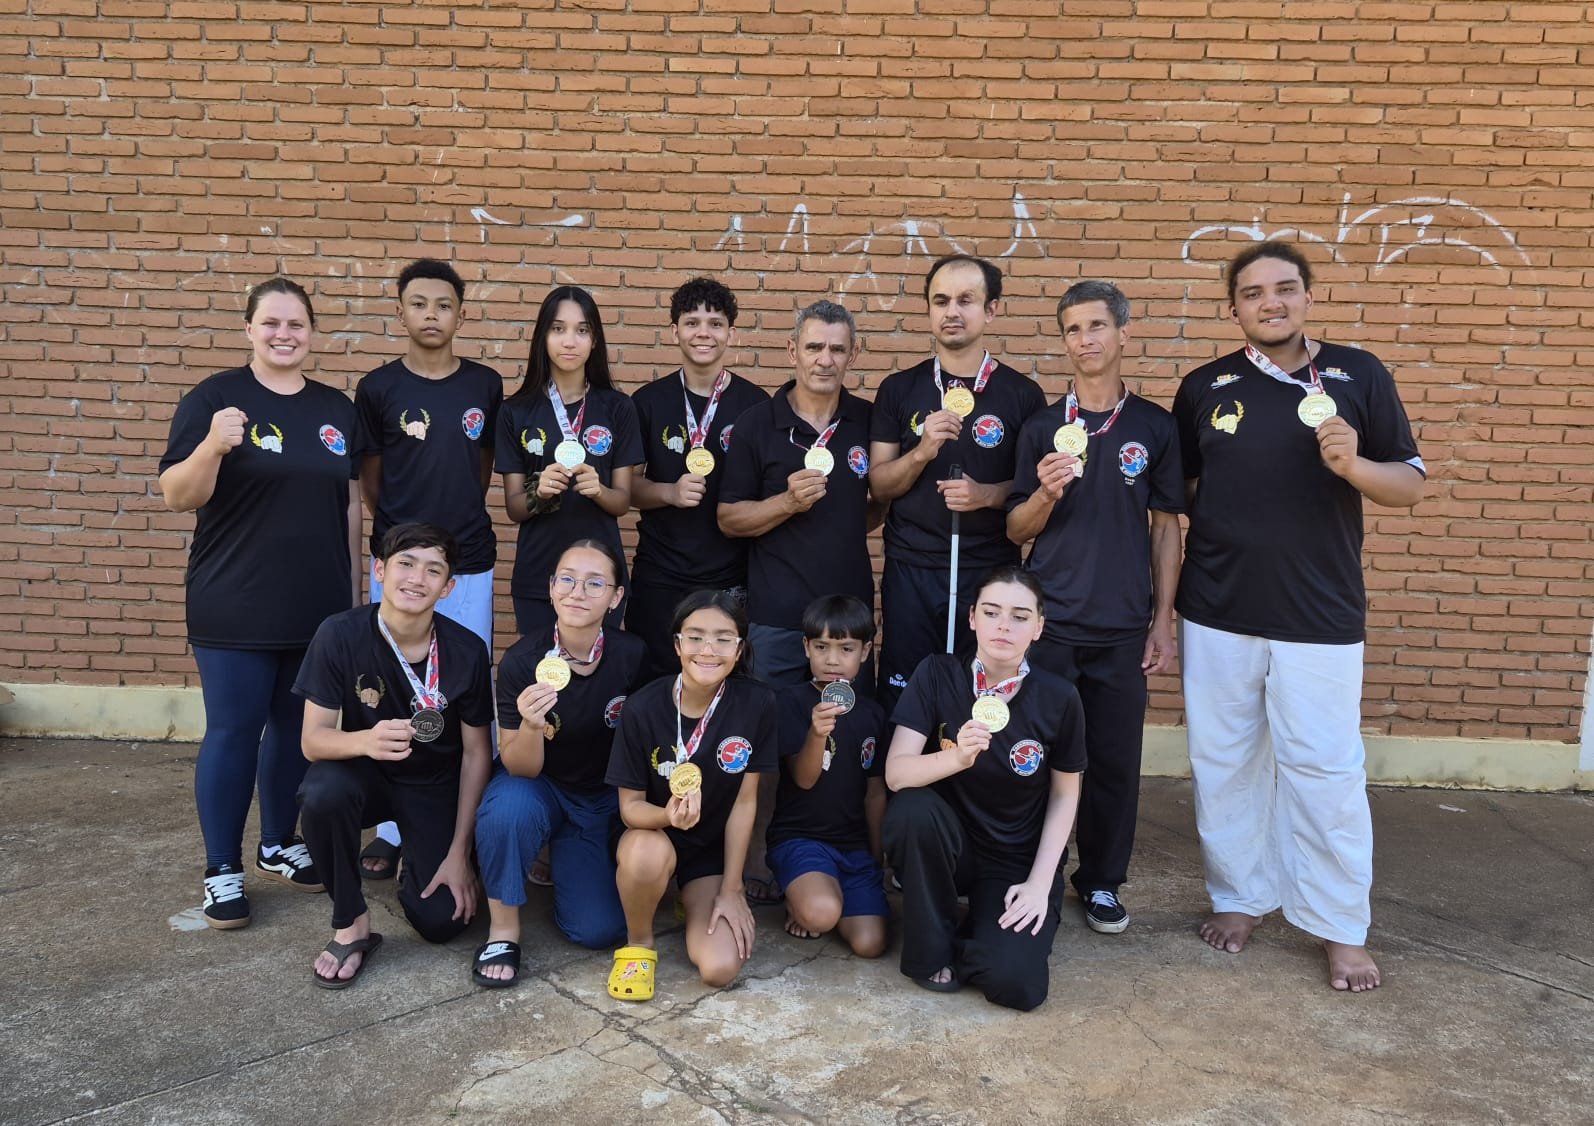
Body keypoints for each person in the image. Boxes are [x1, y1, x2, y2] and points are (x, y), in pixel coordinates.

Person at [1172, 240, 1426, 993]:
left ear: (1307, 297)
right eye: (1253, 293)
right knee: (1225, 764)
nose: (1270, 302)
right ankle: (1241, 896)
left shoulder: (1358, 375)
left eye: (1284, 289)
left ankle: (1340, 927)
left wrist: (1353, 467)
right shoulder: (1204, 386)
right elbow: (1181, 490)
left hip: (1320, 612)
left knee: (1325, 770)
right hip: (1217, 608)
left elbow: (1409, 486)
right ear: (1234, 309)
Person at [157, 276, 360, 930]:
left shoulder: (336, 408)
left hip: (316, 608)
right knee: (234, 733)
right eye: (270, 323)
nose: (283, 334)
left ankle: (278, 843)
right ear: (249, 329)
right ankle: (222, 868)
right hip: (234, 605)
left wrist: (352, 600)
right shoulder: (215, 398)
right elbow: (176, 495)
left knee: (297, 735)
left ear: (312, 334)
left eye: (296, 324)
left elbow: (350, 509)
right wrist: (213, 444)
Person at [1005, 280, 1183, 935]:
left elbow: (1166, 528)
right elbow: (1017, 530)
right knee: (1033, 755)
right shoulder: (1041, 428)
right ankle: (1033, 875)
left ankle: (1102, 881)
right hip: (1048, 628)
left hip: (1120, 628)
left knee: (1112, 763)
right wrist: (1045, 494)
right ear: (1064, 341)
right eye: (1074, 330)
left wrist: (1162, 619)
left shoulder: (1154, 427)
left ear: (1123, 335)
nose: (1086, 340)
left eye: (1098, 327)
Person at [352, 258, 503, 882]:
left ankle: (462, 816)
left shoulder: (485, 386)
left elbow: (483, 464)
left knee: (463, 689)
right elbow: (371, 479)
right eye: (418, 304)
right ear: (401, 312)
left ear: (461, 314)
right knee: (391, 687)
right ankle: (391, 824)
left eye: (443, 305)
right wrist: (400, 549)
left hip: (467, 561)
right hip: (402, 565)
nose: (431, 316)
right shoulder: (378, 388)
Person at [294, 523, 494, 989]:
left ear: (448, 588)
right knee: (321, 792)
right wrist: (364, 741)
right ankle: (351, 921)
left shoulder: (467, 651)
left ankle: (422, 855)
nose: (416, 578)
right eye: (405, 563)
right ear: (381, 570)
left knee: (442, 923)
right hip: (369, 776)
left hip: (434, 784)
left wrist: (459, 852)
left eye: (433, 570)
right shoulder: (338, 634)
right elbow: (313, 741)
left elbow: (476, 754)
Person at [883, 566, 1086, 1011]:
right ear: (972, 618)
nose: (1003, 626)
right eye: (992, 612)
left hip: (1014, 857)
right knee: (912, 810)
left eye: (1019, 616)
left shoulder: (1058, 696)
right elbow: (897, 774)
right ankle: (930, 953)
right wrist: (955, 757)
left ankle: (978, 928)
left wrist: (1038, 883)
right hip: (950, 846)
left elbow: (1065, 794)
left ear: (1038, 627)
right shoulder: (936, 673)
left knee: (1016, 985)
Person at [869, 255, 1046, 713]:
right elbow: (879, 485)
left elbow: (1032, 490)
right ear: (928, 310)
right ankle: (904, 784)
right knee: (904, 693)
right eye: (941, 300)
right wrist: (923, 451)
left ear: (992, 310)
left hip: (986, 573)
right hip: (912, 568)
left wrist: (985, 495)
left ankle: (976, 782)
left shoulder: (1022, 395)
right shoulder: (899, 389)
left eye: (966, 300)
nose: (952, 311)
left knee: (982, 694)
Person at [471, 540, 648, 987]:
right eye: (566, 579)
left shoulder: (633, 656)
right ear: (550, 589)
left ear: (616, 597)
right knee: (508, 808)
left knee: (598, 932)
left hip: (600, 799)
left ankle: (567, 854)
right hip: (541, 788)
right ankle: (504, 930)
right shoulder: (522, 662)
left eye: (595, 583)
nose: (577, 592)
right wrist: (531, 726)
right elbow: (520, 767)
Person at [603, 590, 778, 1001]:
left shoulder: (758, 704)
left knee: (719, 969)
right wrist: (668, 817)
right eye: (696, 637)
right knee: (647, 855)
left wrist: (732, 888)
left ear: (740, 649)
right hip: (651, 835)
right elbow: (630, 810)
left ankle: (691, 896)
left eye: (723, 638)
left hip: (707, 850)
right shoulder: (643, 707)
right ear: (678, 644)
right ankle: (639, 945)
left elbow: (745, 802)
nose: (708, 650)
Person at [718, 299, 877, 689]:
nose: (825, 360)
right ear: (793, 351)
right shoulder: (756, 424)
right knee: (770, 735)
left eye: (837, 349)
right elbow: (728, 520)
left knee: (848, 738)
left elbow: (881, 501)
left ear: (853, 354)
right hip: (777, 619)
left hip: (847, 621)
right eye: (814, 347)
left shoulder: (870, 421)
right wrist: (787, 503)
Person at [628, 277, 769, 680]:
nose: (703, 333)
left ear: (731, 334)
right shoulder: (648, 401)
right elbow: (627, 489)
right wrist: (668, 492)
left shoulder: (755, 405)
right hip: (660, 573)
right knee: (654, 680)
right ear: (674, 332)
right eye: (692, 322)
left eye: (715, 323)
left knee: (722, 680)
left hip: (729, 575)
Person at [496, 285, 642, 635]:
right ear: (542, 336)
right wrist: (538, 492)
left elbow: (622, 501)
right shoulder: (515, 411)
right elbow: (515, 508)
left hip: (600, 581)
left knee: (595, 680)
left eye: (582, 330)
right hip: (538, 577)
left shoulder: (618, 408)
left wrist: (599, 491)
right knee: (544, 679)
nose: (570, 341)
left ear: (595, 340)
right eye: (558, 329)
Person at [767, 595, 889, 956]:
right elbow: (803, 779)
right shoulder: (789, 701)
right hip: (800, 840)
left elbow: (875, 794)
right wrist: (816, 734)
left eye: (846, 648)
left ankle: (821, 893)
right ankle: (800, 897)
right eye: (821, 646)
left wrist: (877, 858)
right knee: (821, 915)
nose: (833, 659)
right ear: (806, 648)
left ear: (865, 652)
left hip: (852, 846)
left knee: (871, 944)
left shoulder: (873, 714)